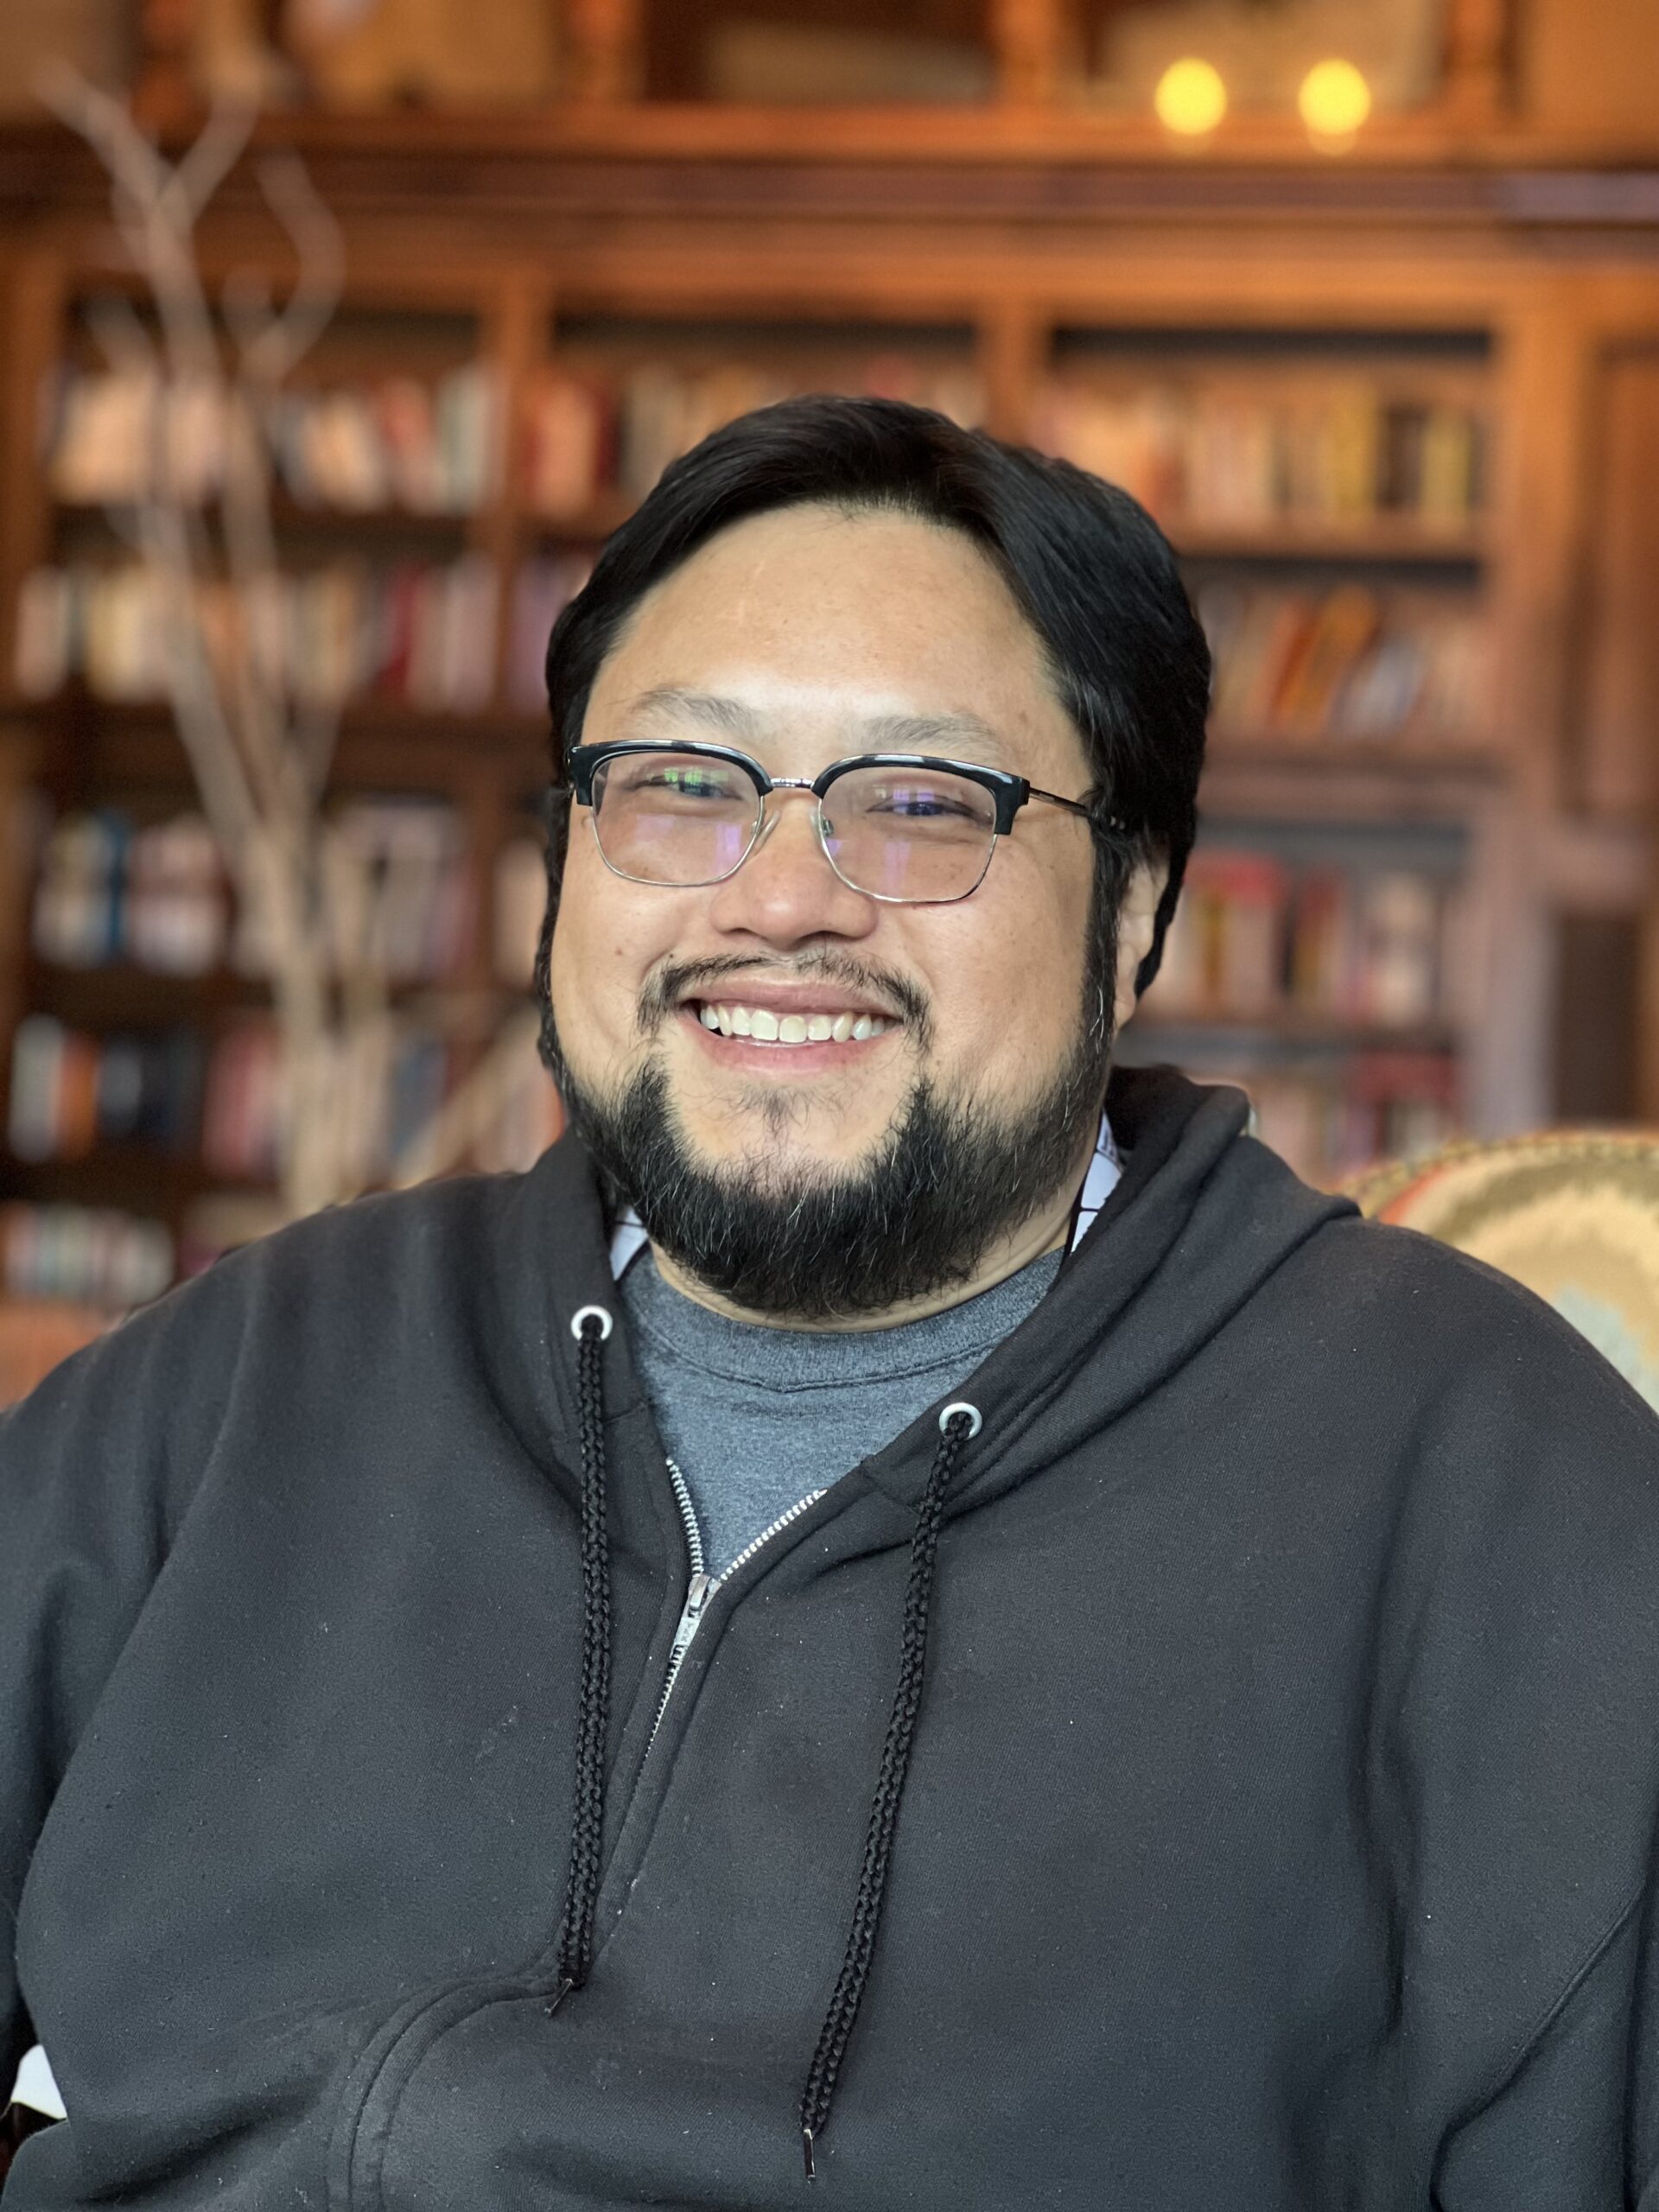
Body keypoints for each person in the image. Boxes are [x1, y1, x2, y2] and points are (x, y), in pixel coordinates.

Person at [3, 397, 1659, 2212]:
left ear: (1134, 913)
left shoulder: (1504, 1499)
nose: (785, 897)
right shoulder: (249, 1374)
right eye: (685, 787)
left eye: (923, 803)